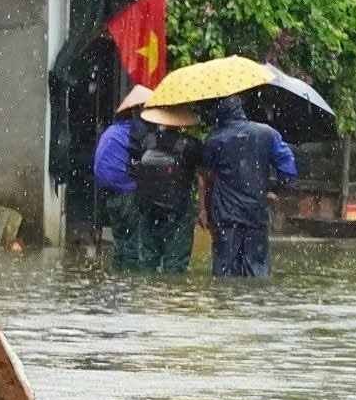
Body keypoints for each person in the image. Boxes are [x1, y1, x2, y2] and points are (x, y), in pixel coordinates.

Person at [198, 95, 297, 279]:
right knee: (257, 273)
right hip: (256, 215)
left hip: (226, 218)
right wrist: (275, 189)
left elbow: (207, 177)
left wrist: (205, 210)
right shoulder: (267, 134)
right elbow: (289, 171)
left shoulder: (215, 139)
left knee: (224, 274)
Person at [124, 105, 205, 273]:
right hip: (178, 210)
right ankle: (171, 295)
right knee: (176, 264)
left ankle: (146, 295)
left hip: (147, 209)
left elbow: (132, 168)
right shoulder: (190, 145)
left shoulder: (146, 141)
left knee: (146, 261)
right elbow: (201, 173)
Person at [91, 85, 151, 270]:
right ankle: (130, 284)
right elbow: (146, 156)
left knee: (120, 244)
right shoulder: (138, 129)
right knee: (134, 245)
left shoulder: (114, 130)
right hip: (127, 194)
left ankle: (119, 281)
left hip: (111, 196)